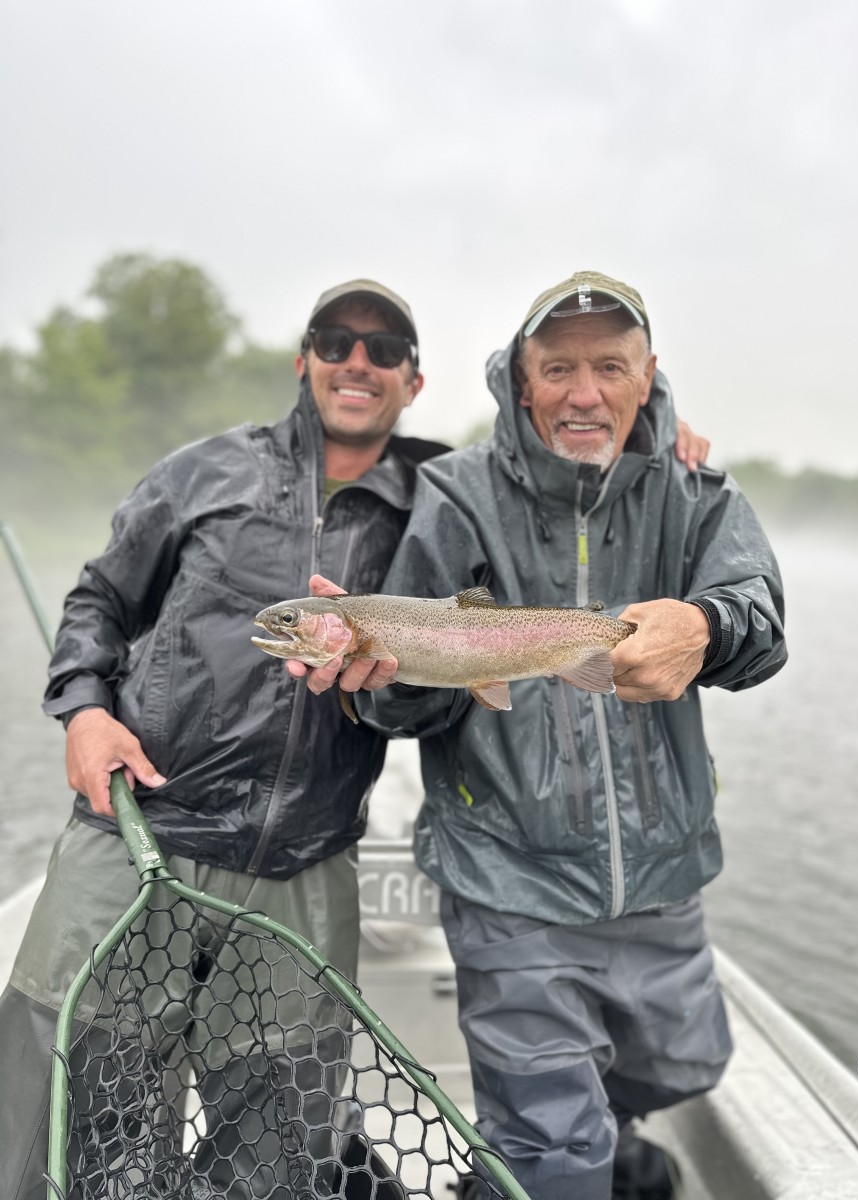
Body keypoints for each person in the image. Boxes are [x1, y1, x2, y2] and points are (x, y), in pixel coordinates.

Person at [0, 270, 708, 1200]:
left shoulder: (440, 493)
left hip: (307, 860)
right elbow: (98, 597)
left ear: (414, 382)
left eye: (386, 350)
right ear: (304, 361)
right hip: (133, 832)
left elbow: (564, 440)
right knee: (55, 1111)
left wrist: (662, 427)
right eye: (336, 341)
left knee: (278, 1140)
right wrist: (84, 707)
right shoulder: (203, 470)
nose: (358, 362)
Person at [294, 269, 787, 1200]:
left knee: (679, 1069)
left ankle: (595, 1138)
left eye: (610, 365)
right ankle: (540, 1163)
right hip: (506, 874)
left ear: (648, 376)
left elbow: (760, 619)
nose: (585, 392)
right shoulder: (456, 492)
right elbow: (412, 706)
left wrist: (708, 627)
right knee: (551, 1147)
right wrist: (382, 686)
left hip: (663, 873)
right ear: (521, 381)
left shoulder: (697, 492)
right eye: (557, 368)